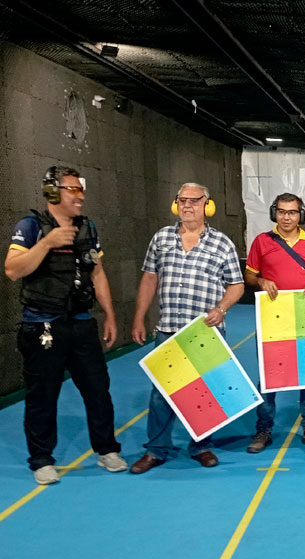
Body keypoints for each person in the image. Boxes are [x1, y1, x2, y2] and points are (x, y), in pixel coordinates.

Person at [5, 166, 127, 485]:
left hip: (81, 324)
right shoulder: (31, 226)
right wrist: (47, 243)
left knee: (98, 391)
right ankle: (41, 459)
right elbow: (13, 269)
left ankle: (107, 450)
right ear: (52, 192)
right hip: (42, 325)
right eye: (72, 189)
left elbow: (97, 273)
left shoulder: (87, 228)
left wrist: (110, 315)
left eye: (80, 189)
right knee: (43, 396)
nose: (80, 195)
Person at [129, 183, 244, 474]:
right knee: (160, 394)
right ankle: (156, 450)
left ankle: (201, 446)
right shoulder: (161, 238)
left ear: (208, 205)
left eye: (194, 200)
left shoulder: (222, 243)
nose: (187, 205)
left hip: (205, 331)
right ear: (176, 204)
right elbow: (150, 278)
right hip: (168, 329)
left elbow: (236, 285)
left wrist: (221, 309)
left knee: (204, 393)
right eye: (182, 200)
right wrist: (139, 316)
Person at [245, 193, 305, 452]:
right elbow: (249, 275)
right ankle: (264, 429)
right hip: (273, 318)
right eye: (282, 212)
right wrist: (261, 281)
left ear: (300, 215)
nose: (286, 217)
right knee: (268, 374)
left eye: (292, 212)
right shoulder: (262, 241)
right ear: (275, 213)